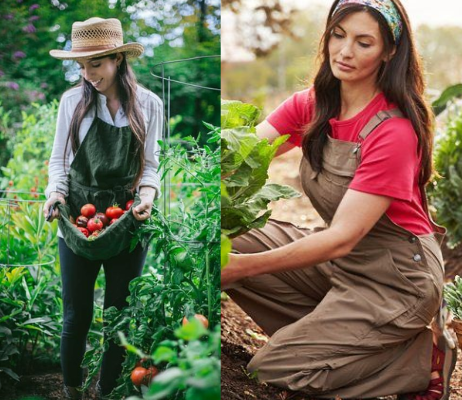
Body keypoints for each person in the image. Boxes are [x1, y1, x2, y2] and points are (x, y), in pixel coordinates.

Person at [221, 0, 457, 399]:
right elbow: (238, 159)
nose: (345, 52)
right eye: (338, 35)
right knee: (228, 240)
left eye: (364, 43)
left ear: (390, 51)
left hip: (397, 280)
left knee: (271, 369)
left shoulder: (393, 132)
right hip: (343, 266)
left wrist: (240, 269)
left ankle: (416, 362)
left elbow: (342, 237)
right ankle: (338, 336)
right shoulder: (313, 104)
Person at [42, 17, 163, 399]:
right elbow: (59, 160)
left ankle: (107, 389)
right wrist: (55, 194)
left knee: (118, 314)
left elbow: (151, 164)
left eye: (95, 64)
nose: (88, 74)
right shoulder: (72, 102)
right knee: (76, 314)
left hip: (127, 217)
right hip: (80, 215)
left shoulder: (148, 104)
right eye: (81, 66)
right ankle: (72, 390)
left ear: (118, 60)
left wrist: (147, 197)